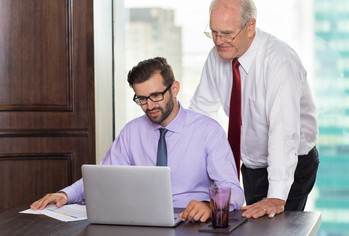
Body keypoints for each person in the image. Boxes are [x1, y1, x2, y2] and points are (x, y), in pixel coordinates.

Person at [31, 57, 244, 223]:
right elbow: (103, 178)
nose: (149, 106)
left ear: (175, 88)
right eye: (141, 99)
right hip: (140, 222)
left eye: (156, 96)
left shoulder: (208, 130)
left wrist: (209, 205)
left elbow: (233, 190)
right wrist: (65, 194)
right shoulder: (132, 131)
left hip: (189, 221)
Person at [190, 0, 319, 219]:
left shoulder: (279, 61)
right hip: (251, 164)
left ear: (250, 27)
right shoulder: (218, 55)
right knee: (251, 228)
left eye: (227, 34)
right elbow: (200, 112)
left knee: (276, 231)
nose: (219, 41)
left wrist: (276, 197)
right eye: (213, 32)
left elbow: (283, 132)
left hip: (292, 163)